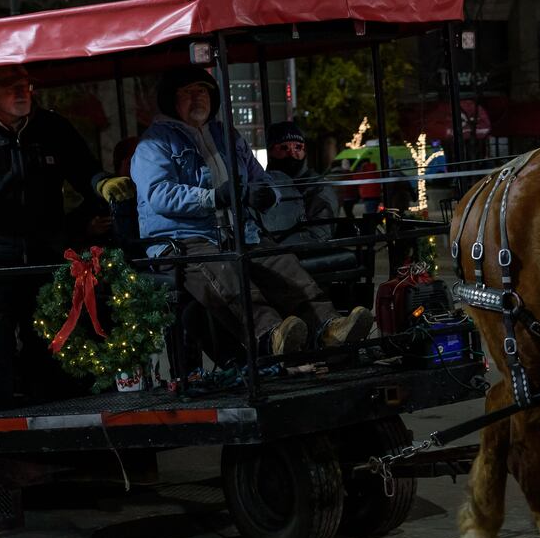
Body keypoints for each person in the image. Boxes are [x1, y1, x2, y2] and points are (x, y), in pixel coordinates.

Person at [0, 65, 135, 412]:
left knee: (49, 342)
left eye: (26, 85)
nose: (21, 93)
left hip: (41, 252)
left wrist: (102, 183)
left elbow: (82, 168)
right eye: (9, 86)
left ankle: (50, 426)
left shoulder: (51, 127)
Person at [130, 66, 372, 356]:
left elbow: (260, 176)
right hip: (183, 241)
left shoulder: (226, 135)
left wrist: (267, 193)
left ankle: (330, 327)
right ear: (171, 98)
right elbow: (159, 194)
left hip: (236, 231)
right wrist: (213, 197)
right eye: (188, 92)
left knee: (282, 264)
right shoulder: (154, 143)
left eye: (203, 91)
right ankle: (270, 335)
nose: (199, 98)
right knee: (225, 273)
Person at [262, 120, 337, 243]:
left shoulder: (317, 187)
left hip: (303, 252)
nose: (292, 153)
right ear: (270, 151)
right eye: (284, 147)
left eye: (298, 147)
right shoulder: (262, 185)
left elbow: (320, 233)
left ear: (304, 150)